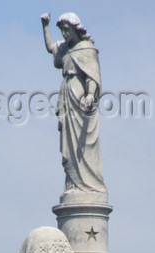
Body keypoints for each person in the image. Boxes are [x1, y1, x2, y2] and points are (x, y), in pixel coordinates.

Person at [41, 12, 107, 196]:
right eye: (61, 30)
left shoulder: (87, 49)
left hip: (80, 99)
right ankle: (73, 183)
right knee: (68, 145)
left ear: (75, 28)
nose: (63, 33)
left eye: (66, 29)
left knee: (82, 142)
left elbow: (92, 76)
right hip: (67, 96)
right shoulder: (65, 49)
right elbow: (50, 48)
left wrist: (90, 95)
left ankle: (88, 184)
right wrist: (45, 26)